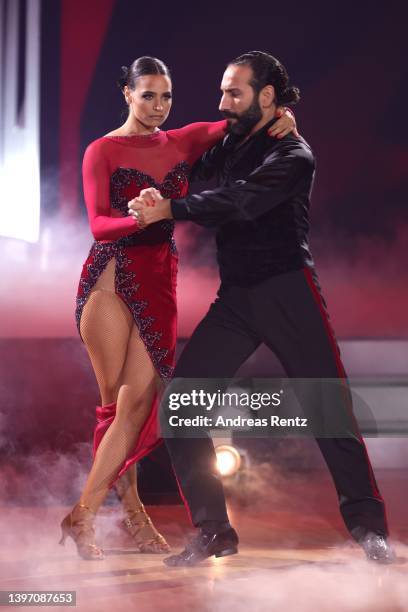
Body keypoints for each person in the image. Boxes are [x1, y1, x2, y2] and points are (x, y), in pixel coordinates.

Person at [128, 51, 396, 566]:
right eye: (223, 91)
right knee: (179, 408)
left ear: (266, 97)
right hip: (238, 298)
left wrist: (170, 209)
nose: (222, 102)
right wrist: (154, 191)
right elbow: (187, 162)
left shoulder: (295, 155)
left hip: (288, 292)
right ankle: (214, 532)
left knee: (329, 412)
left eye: (234, 93)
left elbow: (239, 200)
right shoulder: (231, 140)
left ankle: (369, 530)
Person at [59, 55, 296, 560]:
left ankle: (85, 514)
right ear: (127, 94)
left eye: (166, 96)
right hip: (108, 280)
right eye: (148, 95)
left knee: (137, 406)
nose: (159, 106)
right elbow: (99, 225)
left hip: (159, 285)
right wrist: (141, 217)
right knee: (115, 409)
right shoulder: (101, 150)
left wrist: (283, 118)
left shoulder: (183, 140)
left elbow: (240, 117)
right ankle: (125, 516)